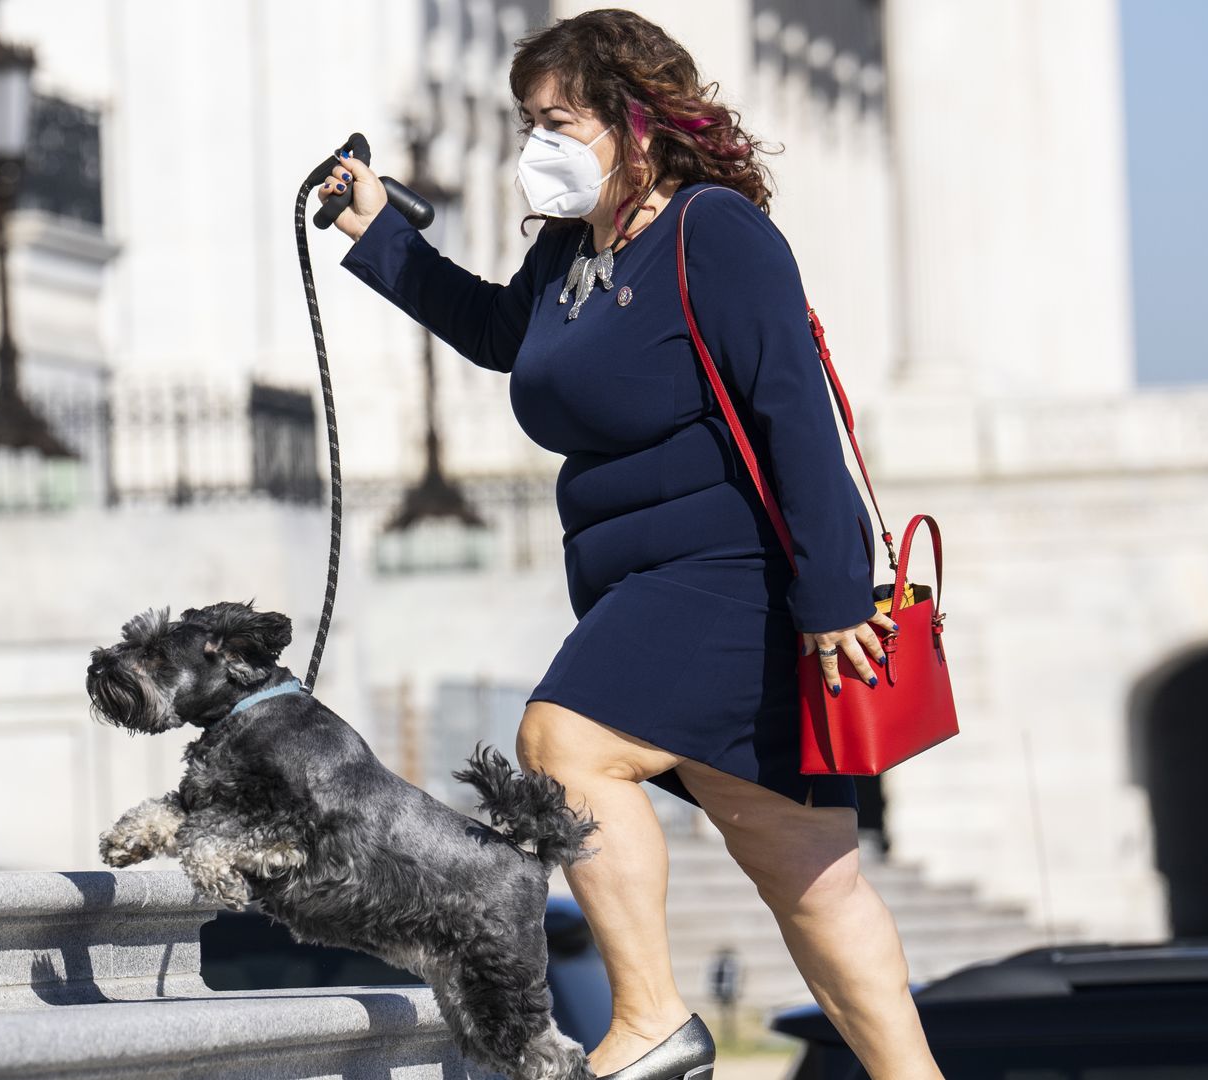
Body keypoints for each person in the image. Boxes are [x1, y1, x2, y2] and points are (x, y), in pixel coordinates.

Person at [321, 9, 944, 1080]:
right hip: (635, 584)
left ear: (637, 123)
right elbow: (501, 338)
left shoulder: (715, 232)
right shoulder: (574, 248)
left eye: (558, 119)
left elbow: (795, 410)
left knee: (564, 744)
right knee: (812, 876)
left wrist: (836, 596)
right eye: (528, 120)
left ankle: (651, 1018)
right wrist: (381, 235)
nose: (536, 143)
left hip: (728, 581)